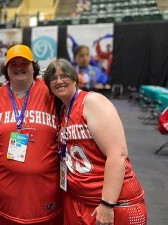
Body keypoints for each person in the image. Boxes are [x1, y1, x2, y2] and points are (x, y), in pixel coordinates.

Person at [43, 58, 147, 225]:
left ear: (75, 78)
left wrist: (107, 203)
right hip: (82, 200)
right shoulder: (63, 110)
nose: (59, 81)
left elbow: (117, 155)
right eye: (53, 78)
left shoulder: (92, 102)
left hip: (114, 203)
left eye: (64, 76)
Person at [0, 44, 63, 224]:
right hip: (4, 194)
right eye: (14, 64)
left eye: (24, 63)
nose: (19, 67)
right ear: (6, 69)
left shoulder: (51, 93)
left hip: (44, 194)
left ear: (33, 67)